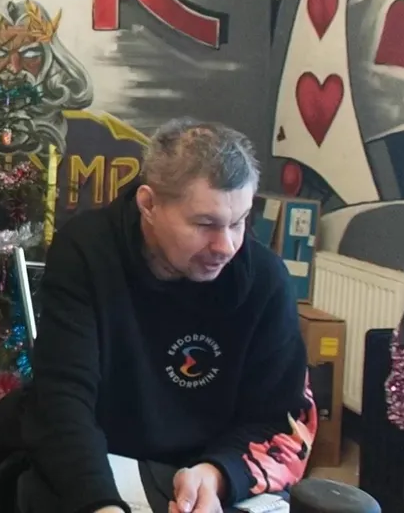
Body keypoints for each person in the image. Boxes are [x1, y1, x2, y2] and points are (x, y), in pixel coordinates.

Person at [21, 118, 318, 513]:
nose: (226, 246)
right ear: (149, 205)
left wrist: (217, 474)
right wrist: (100, 504)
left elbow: (283, 421)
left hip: (209, 469)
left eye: (238, 222)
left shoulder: (266, 280)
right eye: (205, 224)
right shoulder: (87, 251)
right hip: (105, 461)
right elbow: (63, 398)